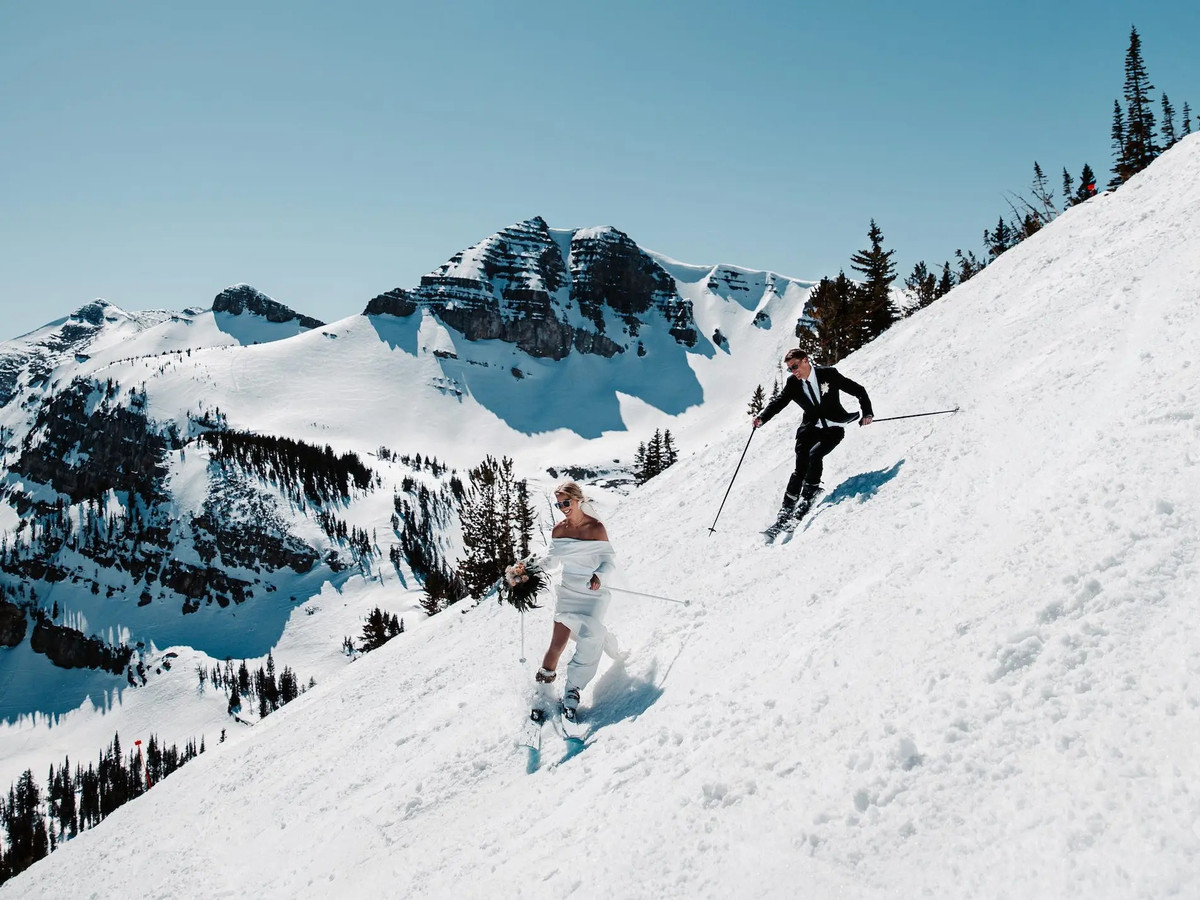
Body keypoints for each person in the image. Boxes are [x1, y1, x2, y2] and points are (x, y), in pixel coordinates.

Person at [753, 348, 874, 530]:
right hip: (810, 429)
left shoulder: (828, 374)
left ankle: (809, 495)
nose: (793, 371)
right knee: (800, 464)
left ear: (805, 361)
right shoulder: (793, 383)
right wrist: (762, 418)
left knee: (814, 455)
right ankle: (786, 510)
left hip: (833, 429)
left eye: (795, 366)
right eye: (789, 369)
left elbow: (858, 390)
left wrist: (867, 412)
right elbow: (779, 402)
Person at [532, 481, 618, 720]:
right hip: (569, 592)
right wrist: (529, 570)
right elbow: (552, 561)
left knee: (590, 638)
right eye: (559, 504)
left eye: (566, 502)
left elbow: (608, 561)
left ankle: (573, 690)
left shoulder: (596, 528)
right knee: (557, 644)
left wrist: (598, 575)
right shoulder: (559, 530)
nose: (563, 507)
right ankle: (542, 693)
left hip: (593, 594)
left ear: (578, 500)